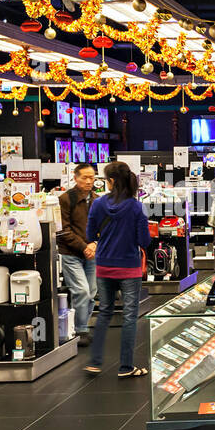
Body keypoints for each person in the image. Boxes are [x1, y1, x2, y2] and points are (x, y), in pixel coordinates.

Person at [83, 161, 150, 378]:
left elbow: (90, 234)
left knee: (104, 312)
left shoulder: (98, 204)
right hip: (129, 267)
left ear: (111, 181)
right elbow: (144, 240)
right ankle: (126, 367)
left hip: (104, 265)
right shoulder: (136, 206)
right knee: (130, 317)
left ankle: (95, 362)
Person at [56, 162, 98, 348]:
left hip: (92, 253)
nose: (89, 181)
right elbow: (63, 231)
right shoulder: (65, 199)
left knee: (91, 293)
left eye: (92, 177)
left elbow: (104, 227)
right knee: (81, 291)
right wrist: (84, 247)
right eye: (85, 178)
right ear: (75, 177)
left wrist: (95, 244)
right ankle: (80, 329)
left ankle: (79, 326)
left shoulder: (97, 199)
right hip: (71, 254)